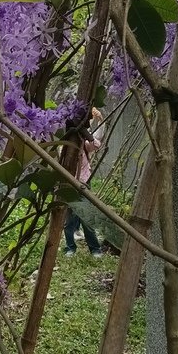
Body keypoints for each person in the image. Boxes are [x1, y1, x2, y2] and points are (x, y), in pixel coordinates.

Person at [64, 108, 103, 258]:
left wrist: (88, 131)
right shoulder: (63, 149)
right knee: (70, 220)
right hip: (69, 186)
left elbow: (97, 144)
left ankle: (95, 249)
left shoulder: (85, 145)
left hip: (84, 184)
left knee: (87, 218)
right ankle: (70, 248)